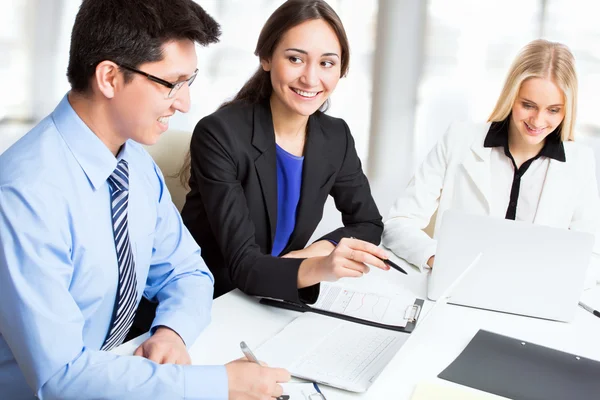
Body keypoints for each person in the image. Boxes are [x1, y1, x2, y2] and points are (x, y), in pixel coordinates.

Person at [0, 1, 289, 399]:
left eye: (190, 81)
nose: (184, 102)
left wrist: (172, 331)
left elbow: (187, 272)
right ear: (109, 78)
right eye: (171, 83)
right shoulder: (25, 194)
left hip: (120, 376)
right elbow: (60, 378)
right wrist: (218, 385)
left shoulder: (134, 164)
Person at [179, 0, 390, 303]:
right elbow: (243, 265)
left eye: (326, 63)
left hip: (276, 297)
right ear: (266, 57)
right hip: (213, 299)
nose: (310, 78)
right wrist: (317, 266)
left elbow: (369, 224)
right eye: (295, 59)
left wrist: (310, 254)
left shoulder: (335, 136)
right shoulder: (220, 133)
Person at [383, 39, 600, 273]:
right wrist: (439, 259)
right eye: (528, 105)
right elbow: (398, 223)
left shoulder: (580, 162)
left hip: (534, 298)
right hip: (455, 287)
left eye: (553, 110)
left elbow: (593, 255)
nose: (538, 121)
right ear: (510, 96)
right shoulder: (459, 139)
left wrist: (552, 280)